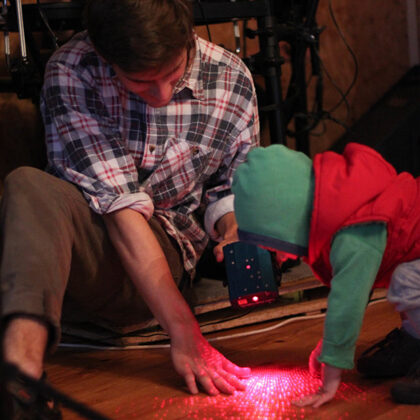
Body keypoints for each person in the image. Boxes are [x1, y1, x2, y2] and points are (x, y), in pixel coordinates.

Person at [0, 0, 259, 417]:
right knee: (26, 184)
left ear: (188, 39)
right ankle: (21, 381)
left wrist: (233, 230)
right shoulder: (73, 69)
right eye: (140, 82)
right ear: (106, 57)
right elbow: (119, 210)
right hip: (76, 247)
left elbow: (230, 190)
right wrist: (185, 332)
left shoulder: (231, 78)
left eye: (173, 75)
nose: (161, 96)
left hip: (157, 262)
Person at [232, 142, 420, 407]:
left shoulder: (355, 229)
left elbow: (348, 301)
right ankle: (414, 341)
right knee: (407, 276)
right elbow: (353, 289)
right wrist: (327, 346)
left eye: (273, 246)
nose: (279, 258)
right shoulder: (347, 210)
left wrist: (330, 379)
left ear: (290, 220)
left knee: (406, 281)